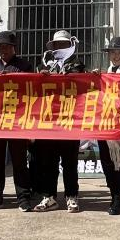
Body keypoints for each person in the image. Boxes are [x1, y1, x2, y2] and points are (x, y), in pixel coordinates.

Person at [31, 30, 84, 213]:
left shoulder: (77, 65)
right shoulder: (43, 64)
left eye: (64, 44)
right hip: (48, 121)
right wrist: (41, 76)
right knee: (48, 162)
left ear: (70, 45)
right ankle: (49, 197)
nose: (60, 47)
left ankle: (72, 196)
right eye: (57, 44)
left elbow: (81, 84)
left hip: (69, 121)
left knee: (70, 162)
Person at [0, 31, 35, 212]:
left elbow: (31, 89)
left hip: (17, 119)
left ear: (13, 48)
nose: (2, 50)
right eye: (0, 47)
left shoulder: (25, 66)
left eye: (6, 47)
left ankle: (23, 197)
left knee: (19, 161)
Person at [95, 36, 120, 215]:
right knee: (106, 161)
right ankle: (112, 193)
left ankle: (119, 198)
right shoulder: (103, 75)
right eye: (113, 52)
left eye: (119, 52)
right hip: (104, 124)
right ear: (109, 54)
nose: (116, 55)